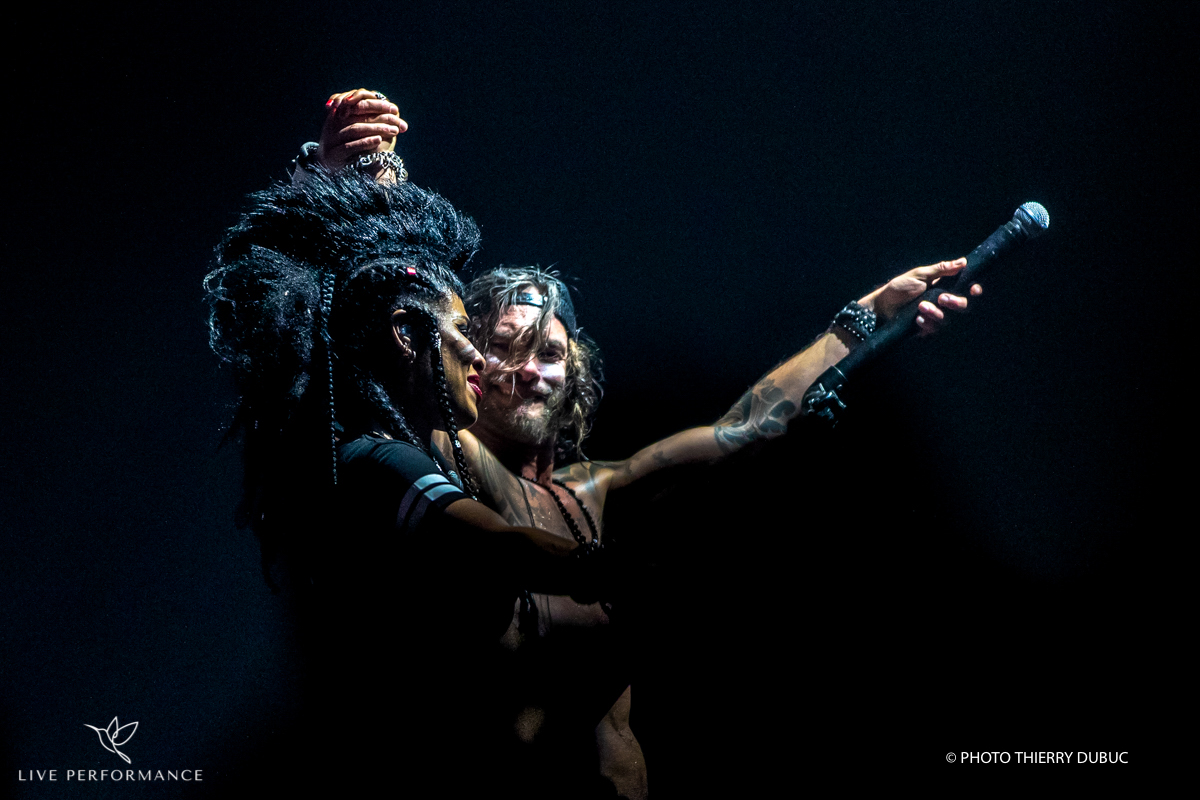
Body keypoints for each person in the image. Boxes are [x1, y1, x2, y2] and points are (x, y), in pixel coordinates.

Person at [303, 89, 983, 799]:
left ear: (576, 374)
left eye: (550, 354)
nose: (531, 372)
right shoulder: (437, 454)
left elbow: (747, 427)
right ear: (467, 361)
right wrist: (335, 183)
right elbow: (364, 341)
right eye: (506, 348)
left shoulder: (596, 493)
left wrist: (867, 317)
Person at [204, 167, 606, 791]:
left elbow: (358, 289)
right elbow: (500, 545)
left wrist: (349, 186)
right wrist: (625, 571)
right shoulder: (381, 462)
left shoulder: (381, 448)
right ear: (404, 336)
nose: (479, 356)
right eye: (463, 335)